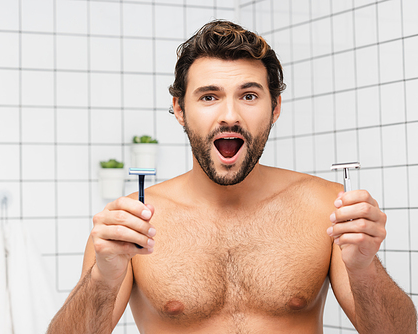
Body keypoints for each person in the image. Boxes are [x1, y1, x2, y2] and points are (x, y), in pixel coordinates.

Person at [47, 20, 417, 333]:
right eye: (209, 96)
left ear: (275, 108)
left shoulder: (326, 207)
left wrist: (364, 268)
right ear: (179, 108)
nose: (229, 115)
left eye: (249, 96)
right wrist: (104, 277)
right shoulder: (133, 221)